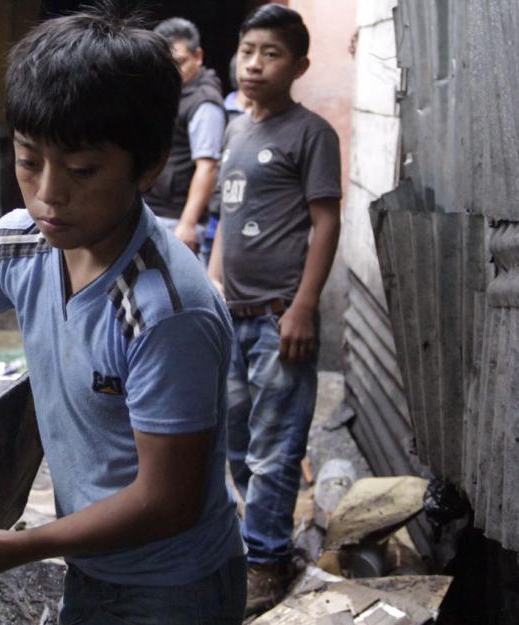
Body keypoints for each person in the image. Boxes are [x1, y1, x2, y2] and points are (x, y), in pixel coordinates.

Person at [0, 5, 246, 624]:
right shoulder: (19, 243)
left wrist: (21, 547)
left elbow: (168, 502)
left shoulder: (165, 311)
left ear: (150, 165)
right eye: (29, 161)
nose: (49, 195)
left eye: (82, 170)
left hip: (174, 587)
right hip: (94, 562)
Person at [207, 4, 341, 617]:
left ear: (299, 66)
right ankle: (258, 543)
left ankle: (265, 560)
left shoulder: (311, 134)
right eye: (248, 51)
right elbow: (224, 223)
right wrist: (212, 289)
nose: (255, 64)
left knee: (276, 446)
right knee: (235, 442)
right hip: (232, 315)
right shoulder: (235, 130)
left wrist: (304, 307)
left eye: (272, 53)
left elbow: (325, 222)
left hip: (279, 317)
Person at [145, 17, 225, 265]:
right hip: (155, 210)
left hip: (177, 219)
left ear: (198, 57)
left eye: (179, 63)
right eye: (165, 64)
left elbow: (207, 166)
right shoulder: (168, 93)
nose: (172, 71)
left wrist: (188, 223)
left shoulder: (204, 102)